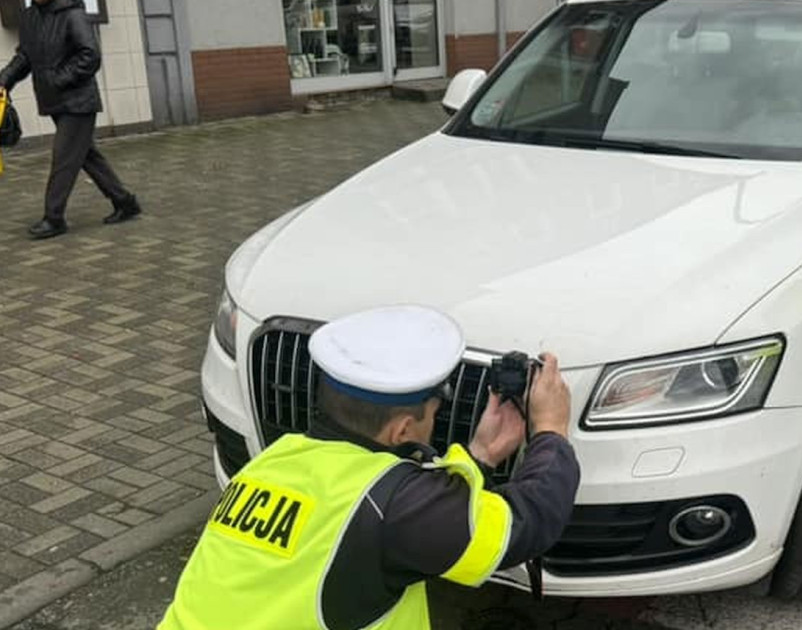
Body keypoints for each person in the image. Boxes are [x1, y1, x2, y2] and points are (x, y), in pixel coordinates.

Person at [159, 305, 581, 629]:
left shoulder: (275, 460)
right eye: (435, 410)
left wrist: (480, 455)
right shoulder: (391, 508)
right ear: (402, 430)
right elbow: (523, 525)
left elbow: (381, 519)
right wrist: (551, 430)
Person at [0, 0, 141, 240]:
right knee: (86, 155)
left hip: (79, 101)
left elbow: (90, 55)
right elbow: (25, 56)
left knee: (64, 157)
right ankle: (125, 202)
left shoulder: (72, 13)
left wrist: (58, 80)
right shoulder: (30, 16)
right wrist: (4, 80)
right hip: (55, 102)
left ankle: (54, 218)